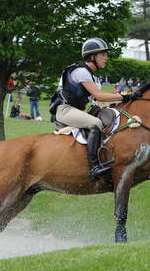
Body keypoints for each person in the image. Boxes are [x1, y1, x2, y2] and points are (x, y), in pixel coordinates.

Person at [49, 38, 140, 180]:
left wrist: (127, 98)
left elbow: (98, 100)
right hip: (65, 110)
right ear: (92, 56)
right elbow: (99, 96)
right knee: (95, 124)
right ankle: (94, 167)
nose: (106, 58)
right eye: (103, 54)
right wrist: (125, 96)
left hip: (77, 111)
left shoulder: (92, 76)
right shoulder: (81, 71)